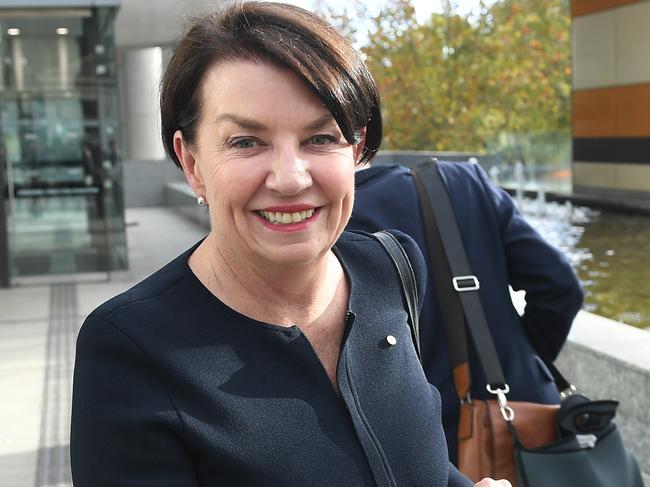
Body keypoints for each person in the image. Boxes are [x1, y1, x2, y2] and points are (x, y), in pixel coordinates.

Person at [70, 3, 510, 486]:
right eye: (245, 142)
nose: (289, 177)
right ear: (192, 162)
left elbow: (411, 461)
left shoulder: (391, 267)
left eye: (320, 138)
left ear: (357, 150)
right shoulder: (130, 349)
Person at [348, 161, 584, 465]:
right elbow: (561, 286)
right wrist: (521, 359)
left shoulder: (339, 218)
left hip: (438, 446)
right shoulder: (465, 180)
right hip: (532, 414)